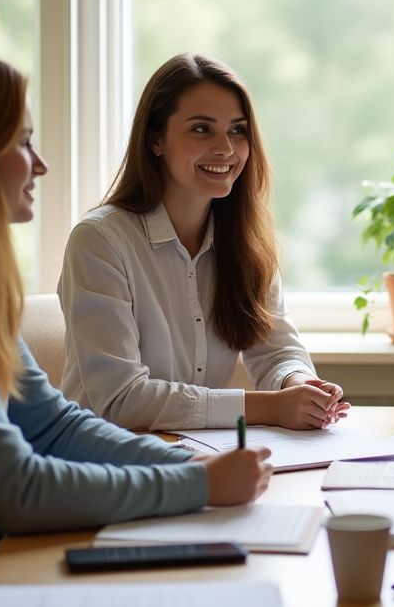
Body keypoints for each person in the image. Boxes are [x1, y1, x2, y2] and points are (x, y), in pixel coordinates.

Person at [0, 54, 272, 607]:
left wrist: (188, 466)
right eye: (23, 142)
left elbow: (53, 425)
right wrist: (197, 487)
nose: (40, 164)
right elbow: (16, 489)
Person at [60, 54, 349, 431]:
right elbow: (122, 400)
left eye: (237, 130)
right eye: (201, 130)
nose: (226, 149)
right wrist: (270, 408)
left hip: (200, 458)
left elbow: (277, 351)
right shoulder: (99, 242)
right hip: (104, 467)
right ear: (155, 140)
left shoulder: (246, 242)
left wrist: (301, 387)